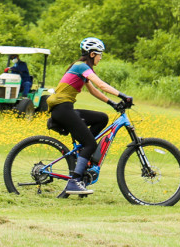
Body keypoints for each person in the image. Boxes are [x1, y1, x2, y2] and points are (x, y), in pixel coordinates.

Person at [45, 36, 132, 198]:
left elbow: (93, 90)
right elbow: (101, 85)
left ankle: (83, 159)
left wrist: (112, 103)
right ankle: (75, 181)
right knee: (90, 143)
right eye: (99, 54)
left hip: (65, 108)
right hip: (62, 109)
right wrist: (123, 96)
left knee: (102, 118)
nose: (100, 57)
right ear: (92, 54)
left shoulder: (81, 68)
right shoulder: (81, 66)